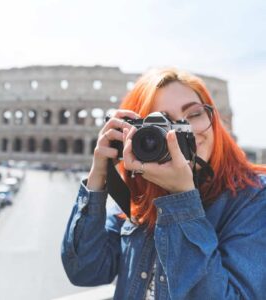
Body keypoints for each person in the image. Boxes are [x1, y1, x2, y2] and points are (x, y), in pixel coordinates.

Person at [61, 68, 266, 299]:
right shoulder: (140, 192)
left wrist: (181, 200)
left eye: (195, 114)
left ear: (214, 118)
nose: (182, 131)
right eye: (162, 124)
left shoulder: (257, 197)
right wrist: (99, 176)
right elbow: (86, 271)